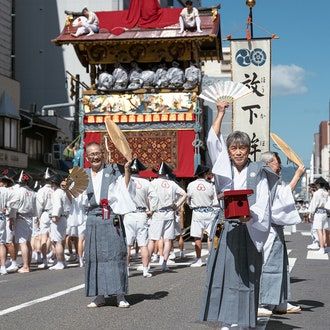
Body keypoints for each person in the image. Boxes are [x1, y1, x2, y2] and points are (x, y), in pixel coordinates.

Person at [200, 100, 274, 329]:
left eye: (242, 148)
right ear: (229, 150)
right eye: (234, 148)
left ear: (249, 149)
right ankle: (226, 319)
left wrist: (250, 215)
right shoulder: (223, 167)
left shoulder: (258, 170)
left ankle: (244, 320)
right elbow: (212, 139)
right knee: (223, 272)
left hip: (250, 226)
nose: (238, 152)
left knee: (246, 274)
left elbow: (263, 201)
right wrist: (221, 112)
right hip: (226, 225)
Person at [83, 142, 136, 308]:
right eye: (91, 154)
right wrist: (66, 188)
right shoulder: (82, 175)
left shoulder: (113, 170)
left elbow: (125, 186)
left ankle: (120, 294)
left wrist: (127, 169)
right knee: (94, 256)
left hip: (111, 215)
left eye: (97, 153)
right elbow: (74, 199)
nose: (95, 157)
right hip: (93, 217)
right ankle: (99, 295)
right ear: (87, 157)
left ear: (103, 154)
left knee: (116, 254)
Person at [258, 151, 305, 316]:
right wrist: (297, 175)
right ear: (269, 164)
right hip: (268, 229)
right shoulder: (264, 180)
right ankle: (262, 301)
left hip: (275, 228)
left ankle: (280, 301)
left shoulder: (274, 180)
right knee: (268, 264)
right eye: (278, 163)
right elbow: (283, 197)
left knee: (281, 265)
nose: (280, 166)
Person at [148, 162, 187, 271]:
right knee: (168, 239)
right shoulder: (172, 183)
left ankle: (147, 264)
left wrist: (149, 208)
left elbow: (147, 196)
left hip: (157, 213)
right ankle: (164, 263)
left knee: (152, 239)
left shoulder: (153, 183)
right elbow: (184, 194)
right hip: (169, 212)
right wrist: (177, 205)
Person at [123, 158, 158, 278]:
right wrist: (152, 209)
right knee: (143, 244)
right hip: (142, 214)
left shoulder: (125, 180)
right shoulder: (146, 182)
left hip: (129, 214)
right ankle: (145, 270)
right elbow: (155, 197)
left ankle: (127, 270)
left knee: (127, 244)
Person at [8, 171, 37, 273]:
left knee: (22, 242)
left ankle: (25, 266)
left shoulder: (18, 191)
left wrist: (11, 218)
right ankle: (27, 264)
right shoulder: (32, 192)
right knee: (27, 242)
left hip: (20, 217)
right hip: (29, 217)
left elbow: (13, 206)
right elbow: (35, 208)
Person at [187, 165, 215, 267]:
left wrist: (191, 206)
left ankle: (198, 258)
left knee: (197, 236)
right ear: (204, 174)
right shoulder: (210, 185)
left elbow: (188, 198)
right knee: (210, 236)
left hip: (197, 212)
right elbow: (213, 197)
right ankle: (211, 257)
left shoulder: (191, 185)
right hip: (209, 211)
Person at [48, 174, 72, 270]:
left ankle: (60, 262)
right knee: (59, 241)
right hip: (63, 217)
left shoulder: (57, 192)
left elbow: (57, 206)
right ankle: (62, 261)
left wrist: (55, 216)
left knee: (57, 241)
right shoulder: (63, 192)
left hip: (58, 218)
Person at [36, 168, 55, 269]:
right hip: (54, 214)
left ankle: (44, 259)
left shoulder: (41, 190)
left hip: (44, 213)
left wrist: (38, 217)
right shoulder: (54, 189)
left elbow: (39, 205)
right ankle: (50, 255)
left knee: (43, 236)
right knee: (51, 237)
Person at [309, 177, 329, 254]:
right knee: (324, 230)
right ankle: (323, 246)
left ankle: (321, 248)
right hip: (325, 212)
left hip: (318, 212)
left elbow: (314, 204)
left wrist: (312, 213)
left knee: (319, 231)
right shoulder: (326, 193)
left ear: (318, 184)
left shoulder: (316, 193)